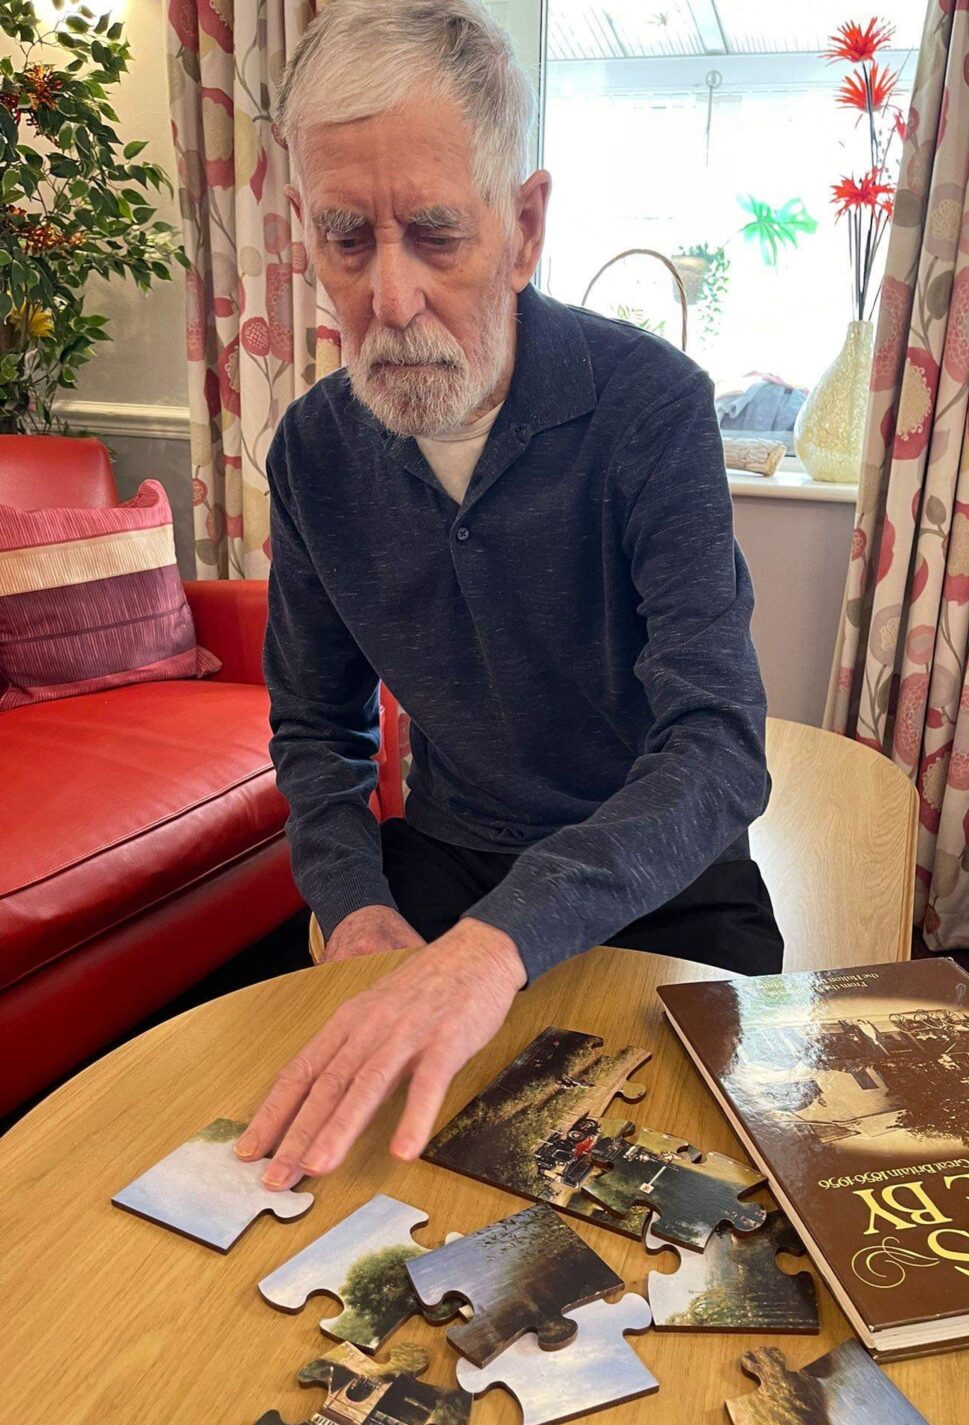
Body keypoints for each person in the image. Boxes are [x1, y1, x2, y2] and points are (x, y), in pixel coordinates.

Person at [236, 0, 784, 1194]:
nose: (389, 298)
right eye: (345, 239)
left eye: (436, 235)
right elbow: (316, 729)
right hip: (450, 856)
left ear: (524, 227)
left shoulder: (653, 408)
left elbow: (718, 747)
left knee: (723, 1201)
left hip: (664, 878)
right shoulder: (314, 452)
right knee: (337, 1169)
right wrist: (355, 905)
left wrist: (501, 944)